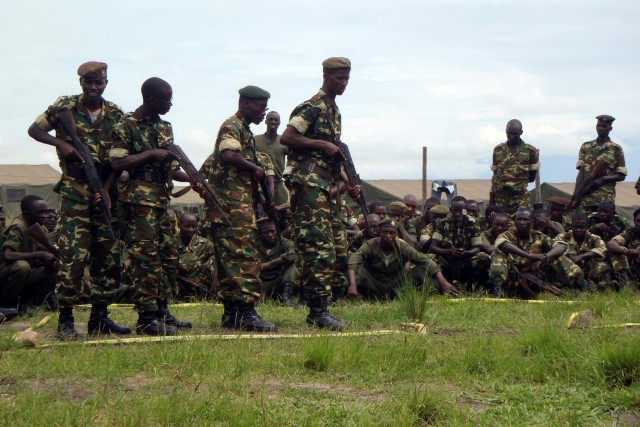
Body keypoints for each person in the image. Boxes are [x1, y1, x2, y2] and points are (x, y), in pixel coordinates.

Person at [27, 61, 129, 338]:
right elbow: (34, 130)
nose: (93, 87)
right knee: (73, 257)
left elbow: (120, 160)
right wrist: (60, 143)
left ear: (106, 83)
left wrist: (106, 189)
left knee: (107, 255)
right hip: (74, 191)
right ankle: (66, 319)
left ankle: (100, 317)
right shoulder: (64, 107)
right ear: (81, 83)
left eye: (98, 82)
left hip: (105, 190)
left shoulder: (117, 114)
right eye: (88, 82)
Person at [281, 57, 362, 331]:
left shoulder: (334, 110)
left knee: (324, 245)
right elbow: (288, 137)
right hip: (308, 182)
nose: (344, 83)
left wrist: (348, 181)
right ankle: (318, 311)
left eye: (347, 79)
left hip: (323, 183)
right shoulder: (312, 106)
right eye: (340, 78)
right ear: (326, 75)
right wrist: (319, 143)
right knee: (318, 246)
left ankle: (319, 307)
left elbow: (333, 153)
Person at [110, 77, 192, 336]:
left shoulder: (166, 127)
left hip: (160, 201)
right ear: (151, 99)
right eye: (167, 99)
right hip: (137, 202)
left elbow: (171, 168)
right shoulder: (127, 125)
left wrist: (194, 178)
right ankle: (146, 318)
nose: (170, 104)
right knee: (145, 259)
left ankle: (161, 311)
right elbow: (116, 163)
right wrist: (150, 154)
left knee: (168, 255)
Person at [204, 85, 276, 332]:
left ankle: (231, 314)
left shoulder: (243, 130)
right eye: (260, 107)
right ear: (246, 104)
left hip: (234, 207)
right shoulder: (232, 126)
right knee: (244, 259)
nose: (263, 113)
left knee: (230, 260)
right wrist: (254, 168)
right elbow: (228, 155)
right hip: (232, 207)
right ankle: (246, 313)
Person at [347, 218, 461, 299]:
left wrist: (444, 282)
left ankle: (435, 292)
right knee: (356, 271)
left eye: (392, 233)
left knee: (420, 270)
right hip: (374, 284)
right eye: (385, 232)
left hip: (396, 284)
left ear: (396, 234)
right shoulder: (370, 244)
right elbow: (353, 260)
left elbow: (425, 261)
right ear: (379, 232)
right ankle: (352, 295)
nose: (388, 236)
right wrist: (352, 284)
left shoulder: (402, 246)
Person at [488, 208, 587, 298]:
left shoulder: (539, 237)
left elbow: (562, 246)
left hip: (535, 278)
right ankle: (498, 293)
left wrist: (545, 257)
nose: (522, 222)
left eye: (525, 219)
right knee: (498, 255)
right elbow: (502, 244)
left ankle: (582, 287)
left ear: (531, 221)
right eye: (519, 219)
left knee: (559, 257)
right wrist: (529, 256)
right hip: (513, 277)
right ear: (515, 221)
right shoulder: (508, 234)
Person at [0, 195, 57, 310]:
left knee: (55, 271)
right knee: (22, 266)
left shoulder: (41, 228)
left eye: (46, 212)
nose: (45, 216)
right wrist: (40, 255)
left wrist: (49, 262)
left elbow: (41, 255)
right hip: (6, 274)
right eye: (40, 213)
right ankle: (7, 305)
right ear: (27, 214)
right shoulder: (18, 226)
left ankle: (29, 304)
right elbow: (8, 255)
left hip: (24, 275)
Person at [429, 196, 491, 292]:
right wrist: (450, 251)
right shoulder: (442, 223)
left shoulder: (473, 223)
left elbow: (477, 248)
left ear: (465, 210)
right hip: (447, 259)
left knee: (483, 257)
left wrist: (466, 252)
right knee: (431, 258)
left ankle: (473, 287)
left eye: (461, 211)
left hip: (465, 259)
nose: (457, 214)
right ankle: (440, 286)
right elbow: (433, 247)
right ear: (450, 210)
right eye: (455, 210)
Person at [571, 115, 627, 213]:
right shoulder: (586, 146)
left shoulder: (615, 149)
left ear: (610, 128)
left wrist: (603, 178)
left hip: (604, 198)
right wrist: (576, 195)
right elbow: (581, 173)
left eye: (604, 126)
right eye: (598, 126)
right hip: (585, 196)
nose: (600, 129)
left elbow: (621, 175)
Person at [490, 119, 539, 215]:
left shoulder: (530, 151)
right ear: (506, 132)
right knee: (500, 224)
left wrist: (517, 185)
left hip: (520, 197)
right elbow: (496, 172)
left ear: (521, 132)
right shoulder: (498, 150)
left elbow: (532, 175)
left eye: (515, 134)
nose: (511, 136)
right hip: (501, 198)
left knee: (523, 222)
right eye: (509, 133)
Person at [555, 214, 611, 289]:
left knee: (601, 261)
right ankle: (579, 285)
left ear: (587, 227)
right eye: (576, 227)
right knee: (561, 260)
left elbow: (603, 249)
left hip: (587, 269)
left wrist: (582, 256)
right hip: (569, 271)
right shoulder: (563, 237)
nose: (578, 230)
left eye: (582, 227)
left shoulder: (593, 238)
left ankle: (607, 283)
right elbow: (554, 248)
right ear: (571, 226)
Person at [175, 212, 217, 300]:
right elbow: (163, 267)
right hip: (178, 285)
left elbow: (216, 263)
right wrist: (183, 278)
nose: (191, 230)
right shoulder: (170, 243)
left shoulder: (205, 244)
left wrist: (215, 280)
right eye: (187, 226)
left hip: (199, 285)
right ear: (179, 225)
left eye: (194, 226)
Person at [256, 218, 296, 304]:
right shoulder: (255, 244)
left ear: (277, 232)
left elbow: (294, 252)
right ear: (260, 234)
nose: (270, 235)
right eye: (266, 233)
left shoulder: (284, 242)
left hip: (279, 280)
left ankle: (286, 296)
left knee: (293, 262)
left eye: (273, 231)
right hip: (260, 281)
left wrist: (269, 264)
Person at [254, 111, 289, 205]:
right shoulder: (255, 140)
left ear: (279, 123)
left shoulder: (284, 141)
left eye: (276, 120)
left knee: (284, 212)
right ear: (266, 121)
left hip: (278, 184)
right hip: (259, 184)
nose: (273, 122)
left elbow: (293, 160)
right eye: (270, 119)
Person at [605, 207, 640, 288]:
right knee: (615, 253)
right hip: (632, 269)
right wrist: (626, 251)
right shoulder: (630, 232)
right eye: (638, 221)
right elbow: (611, 244)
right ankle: (625, 282)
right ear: (634, 221)